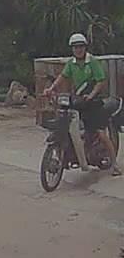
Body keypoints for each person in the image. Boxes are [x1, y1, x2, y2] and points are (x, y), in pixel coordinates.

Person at [44, 32, 119, 175]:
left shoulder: (92, 62)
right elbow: (62, 77)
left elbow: (101, 81)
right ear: (72, 49)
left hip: (94, 102)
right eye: (75, 47)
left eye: (80, 46)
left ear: (85, 47)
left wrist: (91, 95)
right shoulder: (71, 64)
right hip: (80, 101)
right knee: (68, 123)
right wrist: (51, 89)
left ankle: (114, 164)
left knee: (100, 133)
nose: (78, 49)